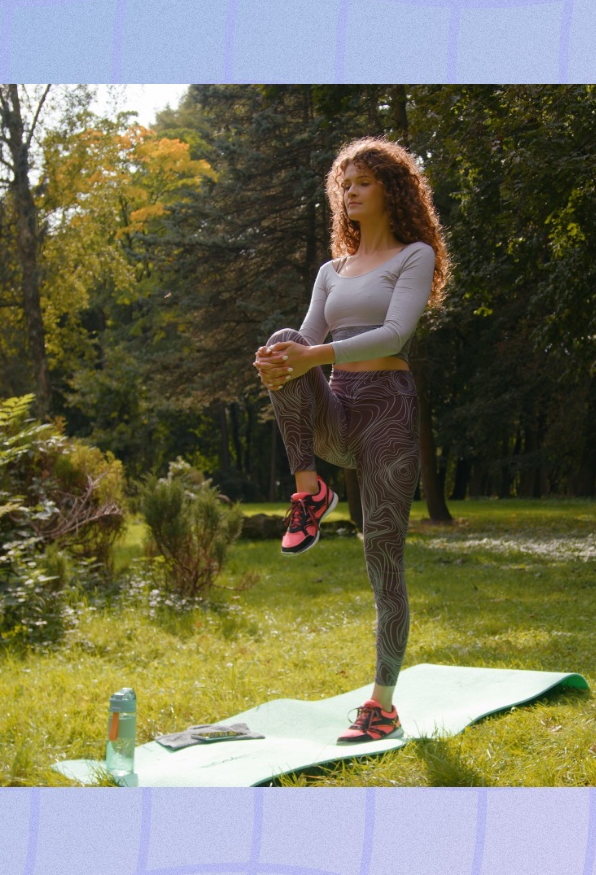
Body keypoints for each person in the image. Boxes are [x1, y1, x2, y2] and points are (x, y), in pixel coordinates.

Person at [252, 137, 449, 744]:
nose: (351, 191)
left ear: (391, 190)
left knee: (383, 565)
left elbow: (394, 334)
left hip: (387, 416)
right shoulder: (330, 271)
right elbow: (304, 343)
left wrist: (316, 353)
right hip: (338, 411)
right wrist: (279, 362)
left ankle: (382, 704)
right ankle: (309, 490)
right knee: (285, 337)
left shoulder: (414, 256)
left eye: (363, 181)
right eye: (346, 183)